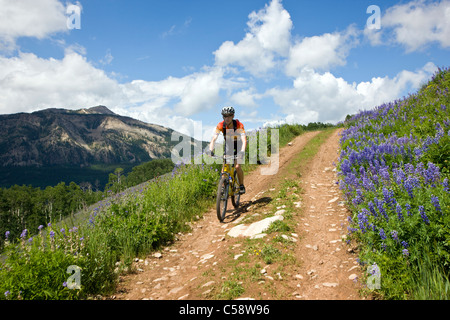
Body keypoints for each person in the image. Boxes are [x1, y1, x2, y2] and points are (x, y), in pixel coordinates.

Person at [208, 106, 247, 194]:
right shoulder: (221, 125)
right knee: (224, 167)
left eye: (229, 116)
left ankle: (241, 185)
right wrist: (210, 150)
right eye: (225, 116)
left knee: (237, 166)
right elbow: (214, 138)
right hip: (229, 144)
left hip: (239, 144)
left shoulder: (238, 125)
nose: (227, 118)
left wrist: (242, 151)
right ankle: (222, 187)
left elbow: (244, 140)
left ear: (233, 116)